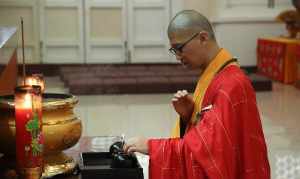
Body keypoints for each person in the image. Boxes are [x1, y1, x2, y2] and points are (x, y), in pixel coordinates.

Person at [124, 10, 270, 179]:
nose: (178, 57)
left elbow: (210, 153)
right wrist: (188, 115)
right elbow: (210, 137)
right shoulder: (213, 75)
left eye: (180, 48)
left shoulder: (231, 85)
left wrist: (152, 147)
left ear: (203, 38)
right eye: (174, 50)